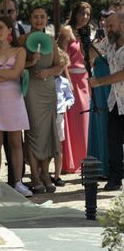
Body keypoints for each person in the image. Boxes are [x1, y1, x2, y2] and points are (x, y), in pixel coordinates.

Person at [0, 16, 31, 197]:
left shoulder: (20, 51)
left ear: (10, 30)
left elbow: (15, 73)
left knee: (16, 142)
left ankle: (18, 182)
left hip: (14, 98)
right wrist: (7, 75)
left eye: (1, 27)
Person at [18, 6, 62, 194]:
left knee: (48, 133)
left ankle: (45, 173)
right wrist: (31, 62)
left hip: (48, 90)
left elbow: (59, 66)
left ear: (46, 19)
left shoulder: (51, 40)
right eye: (35, 17)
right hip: (31, 90)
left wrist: (48, 72)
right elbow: (17, 65)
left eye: (42, 17)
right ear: (30, 18)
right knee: (33, 131)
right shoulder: (23, 40)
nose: (38, 20)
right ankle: (34, 175)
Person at [89, 12, 124, 191]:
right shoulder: (109, 43)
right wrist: (86, 45)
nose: (107, 30)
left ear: (122, 26)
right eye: (106, 26)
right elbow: (92, 51)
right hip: (115, 101)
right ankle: (116, 177)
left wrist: (100, 81)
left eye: (111, 26)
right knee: (113, 141)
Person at [57, 2, 92, 173]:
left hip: (85, 79)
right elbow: (61, 57)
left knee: (84, 120)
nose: (85, 17)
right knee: (71, 121)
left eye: (87, 14)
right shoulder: (66, 30)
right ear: (75, 13)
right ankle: (70, 162)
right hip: (71, 78)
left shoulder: (86, 32)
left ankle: (83, 159)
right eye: (82, 13)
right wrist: (68, 81)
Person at [88, 9, 113, 177]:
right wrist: (95, 44)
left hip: (114, 87)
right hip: (98, 86)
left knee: (113, 126)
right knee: (100, 125)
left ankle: (114, 165)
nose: (104, 24)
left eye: (108, 22)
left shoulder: (118, 41)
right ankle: (100, 167)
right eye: (102, 21)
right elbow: (88, 61)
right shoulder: (95, 43)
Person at [53, 48, 74, 187]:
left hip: (59, 114)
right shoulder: (46, 80)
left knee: (58, 146)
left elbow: (71, 98)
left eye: (62, 68)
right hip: (45, 114)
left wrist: (66, 105)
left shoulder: (64, 82)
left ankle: (57, 175)